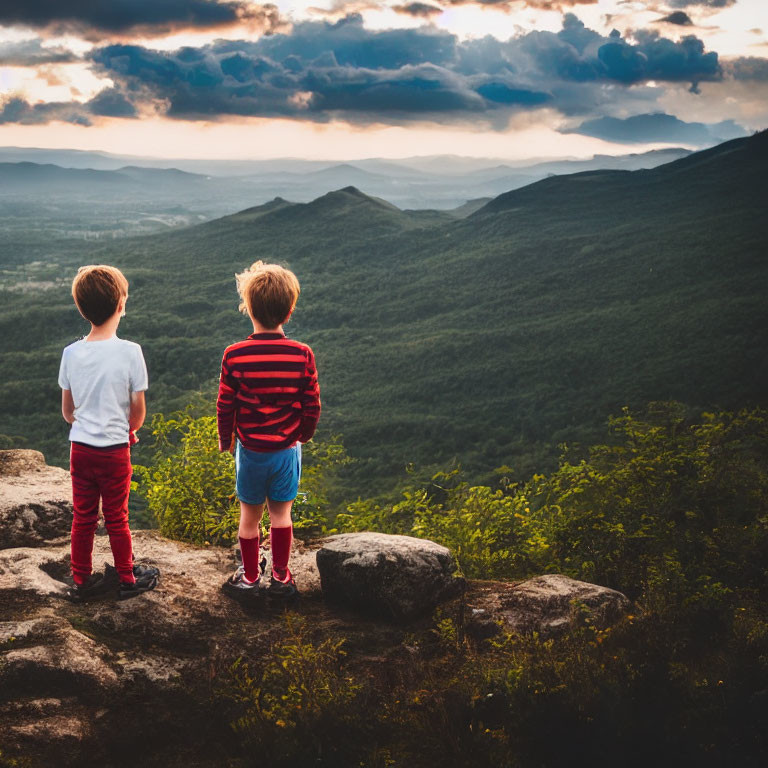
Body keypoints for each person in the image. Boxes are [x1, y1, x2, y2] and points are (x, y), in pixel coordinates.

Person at [217, 261, 320, 600]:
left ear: (248, 309)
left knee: (249, 518)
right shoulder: (302, 354)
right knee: (281, 515)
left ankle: (248, 579)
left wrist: (226, 438)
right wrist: (302, 434)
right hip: (286, 451)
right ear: (289, 312)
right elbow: (311, 404)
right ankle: (281, 576)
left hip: (250, 453)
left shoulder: (234, 355)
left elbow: (225, 405)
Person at [59, 264, 160, 602]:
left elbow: (68, 412)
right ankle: (128, 578)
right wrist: (125, 430)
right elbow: (138, 413)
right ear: (121, 305)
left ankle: (81, 581)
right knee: (117, 517)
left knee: (83, 517)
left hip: (81, 451)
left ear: (81, 307)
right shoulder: (131, 352)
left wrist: (90, 425)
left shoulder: (70, 353)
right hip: (115, 451)